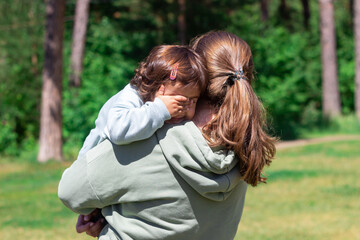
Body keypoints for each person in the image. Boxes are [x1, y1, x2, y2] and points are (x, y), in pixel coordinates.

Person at [58, 31, 276, 239]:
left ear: (197, 75)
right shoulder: (242, 144)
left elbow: (70, 191)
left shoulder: (150, 140)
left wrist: (108, 219)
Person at [76, 45, 207, 159]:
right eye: (176, 99)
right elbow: (118, 131)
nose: (181, 108)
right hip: (89, 171)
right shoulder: (133, 96)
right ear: (155, 86)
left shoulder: (171, 118)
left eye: (192, 101)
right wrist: (160, 109)